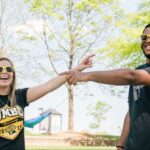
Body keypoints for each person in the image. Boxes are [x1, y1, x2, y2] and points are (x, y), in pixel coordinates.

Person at [60, 24, 150, 150]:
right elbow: (132, 109)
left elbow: (131, 76)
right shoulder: (139, 69)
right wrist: (121, 145)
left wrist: (87, 76)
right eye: (144, 37)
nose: (147, 40)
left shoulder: (136, 74)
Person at [0, 54, 94, 150]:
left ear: (13, 74)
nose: (4, 72)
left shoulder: (20, 96)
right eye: (0, 69)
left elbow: (48, 86)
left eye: (9, 69)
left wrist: (78, 68)